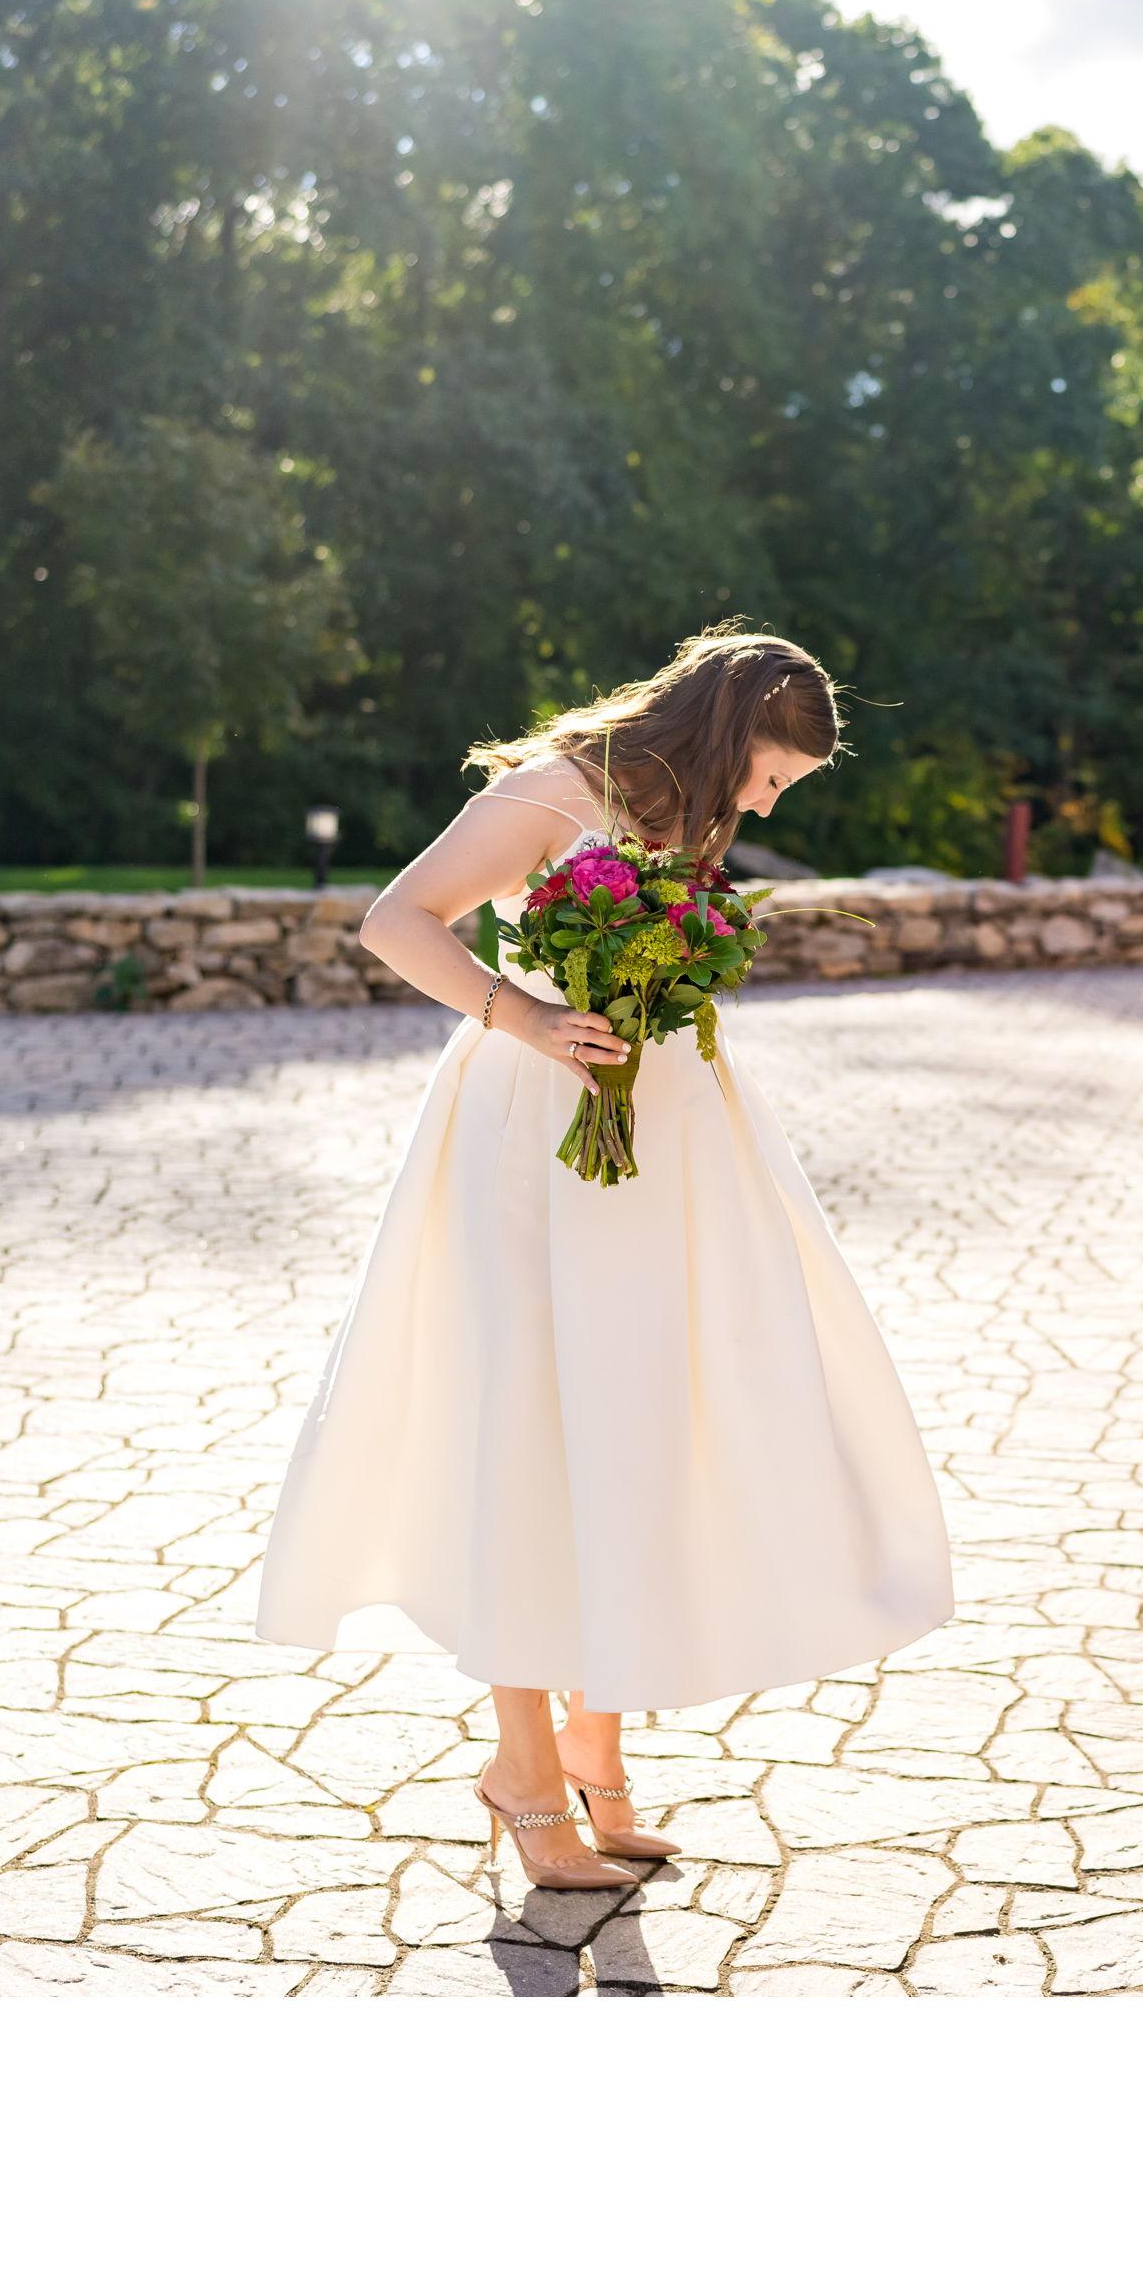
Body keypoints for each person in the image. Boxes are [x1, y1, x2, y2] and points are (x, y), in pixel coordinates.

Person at [255, 625, 953, 1894]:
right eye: (770, 775)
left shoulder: (677, 807)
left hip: (665, 1147)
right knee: (531, 1432)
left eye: (782, 789)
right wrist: (525, 1015)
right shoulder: (548, 791)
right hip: (530, 1138)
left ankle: (595, 1744)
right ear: (725, 728)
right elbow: (394, 919)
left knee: (629, 1431)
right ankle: (522, 1769)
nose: (764, 801)